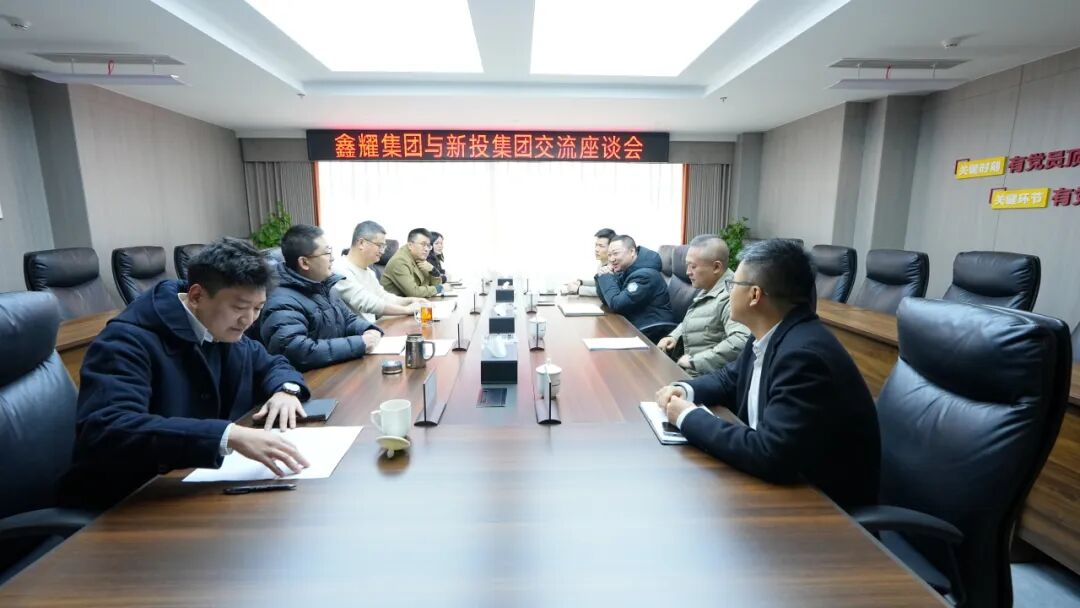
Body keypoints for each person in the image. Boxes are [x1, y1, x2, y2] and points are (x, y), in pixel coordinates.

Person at [64, 238, 312, 508]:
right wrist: (227, 435)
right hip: (125, 500)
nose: (248, 320)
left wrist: (286, 390)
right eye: (239, 308)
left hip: (190, 485)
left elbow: (272, 364)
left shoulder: (221, 327)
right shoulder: (125, 341)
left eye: (258, 308)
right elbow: (109, 427)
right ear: (196, 297)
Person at [654, 239, 880, 510]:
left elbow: (771, 453)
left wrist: (688, 417)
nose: (728, 290)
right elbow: (730, 378)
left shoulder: (803, 356)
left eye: (732, 284)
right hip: (782, 482)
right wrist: (686, 390)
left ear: (754, 295)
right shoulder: (771, 332)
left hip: (823, 507)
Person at [261, 224, 383, 371]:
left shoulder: (323, 285)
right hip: (309, 380)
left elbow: (348, 319)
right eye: (327, 253)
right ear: (304, 262)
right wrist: (360, 343)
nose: (332, 258)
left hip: (335, 370)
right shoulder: (281, 301)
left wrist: (368, 330)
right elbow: (298, 351)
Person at [657, 235, 750, 376]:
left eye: (693, 266)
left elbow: (741, 340)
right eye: (687, 265)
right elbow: (696, 319)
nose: (688, 272)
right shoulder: (710, 286)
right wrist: (674, 337)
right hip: (689, 371)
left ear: (716, 267)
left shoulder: (731, 296)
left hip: (706, 378)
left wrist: (695, 361)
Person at [333, 220, 426, 323]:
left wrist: (410, 300)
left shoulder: (369, 272)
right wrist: (406, 310)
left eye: (384, 246)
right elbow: (367, 302)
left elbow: (383, 297)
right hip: (358, 332)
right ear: (361, 243)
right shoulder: (340, 270)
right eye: (380, 245)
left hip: (373, 328)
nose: (383, 251)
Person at [595, 234, 674, 331]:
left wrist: (606, 276)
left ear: (632, 251)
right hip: (633, 324)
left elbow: (617, 304)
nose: (611, 259)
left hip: (651, 331)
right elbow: (607, 300)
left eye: (615, 253)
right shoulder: (627, 270)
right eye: (609, 255)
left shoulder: (645, 276)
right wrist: (603, 275)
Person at [380, 228, 445, 298]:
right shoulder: (399, 261)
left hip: (414, 302)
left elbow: (434, 286)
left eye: (428, 246)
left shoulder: (419, 258)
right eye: (423, 244)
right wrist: (439, 289)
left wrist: (433, 271)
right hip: (395, 303)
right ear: (410, 245)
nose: (426, 249)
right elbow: (414, 293)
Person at [567, 228, 615, 297]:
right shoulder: (602, 264)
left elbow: (605, 291)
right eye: (596, 245)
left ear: (611, 248)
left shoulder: (615, 267)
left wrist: (578, 289)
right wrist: (582, 282)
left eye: (601, 246)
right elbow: (599, 284)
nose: (596, 249)